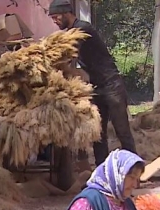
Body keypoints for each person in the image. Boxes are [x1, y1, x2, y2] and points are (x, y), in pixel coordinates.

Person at [48, 0, 137, 168]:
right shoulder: (72, 32)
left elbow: (65, 52)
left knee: (122, 131)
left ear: (66, 13)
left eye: (56, 17)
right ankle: (101, 172)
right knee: (98, 134)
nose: (55, 21)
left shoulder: (82, 29)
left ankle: (134, 170)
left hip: (111, 85)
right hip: (96, 87)